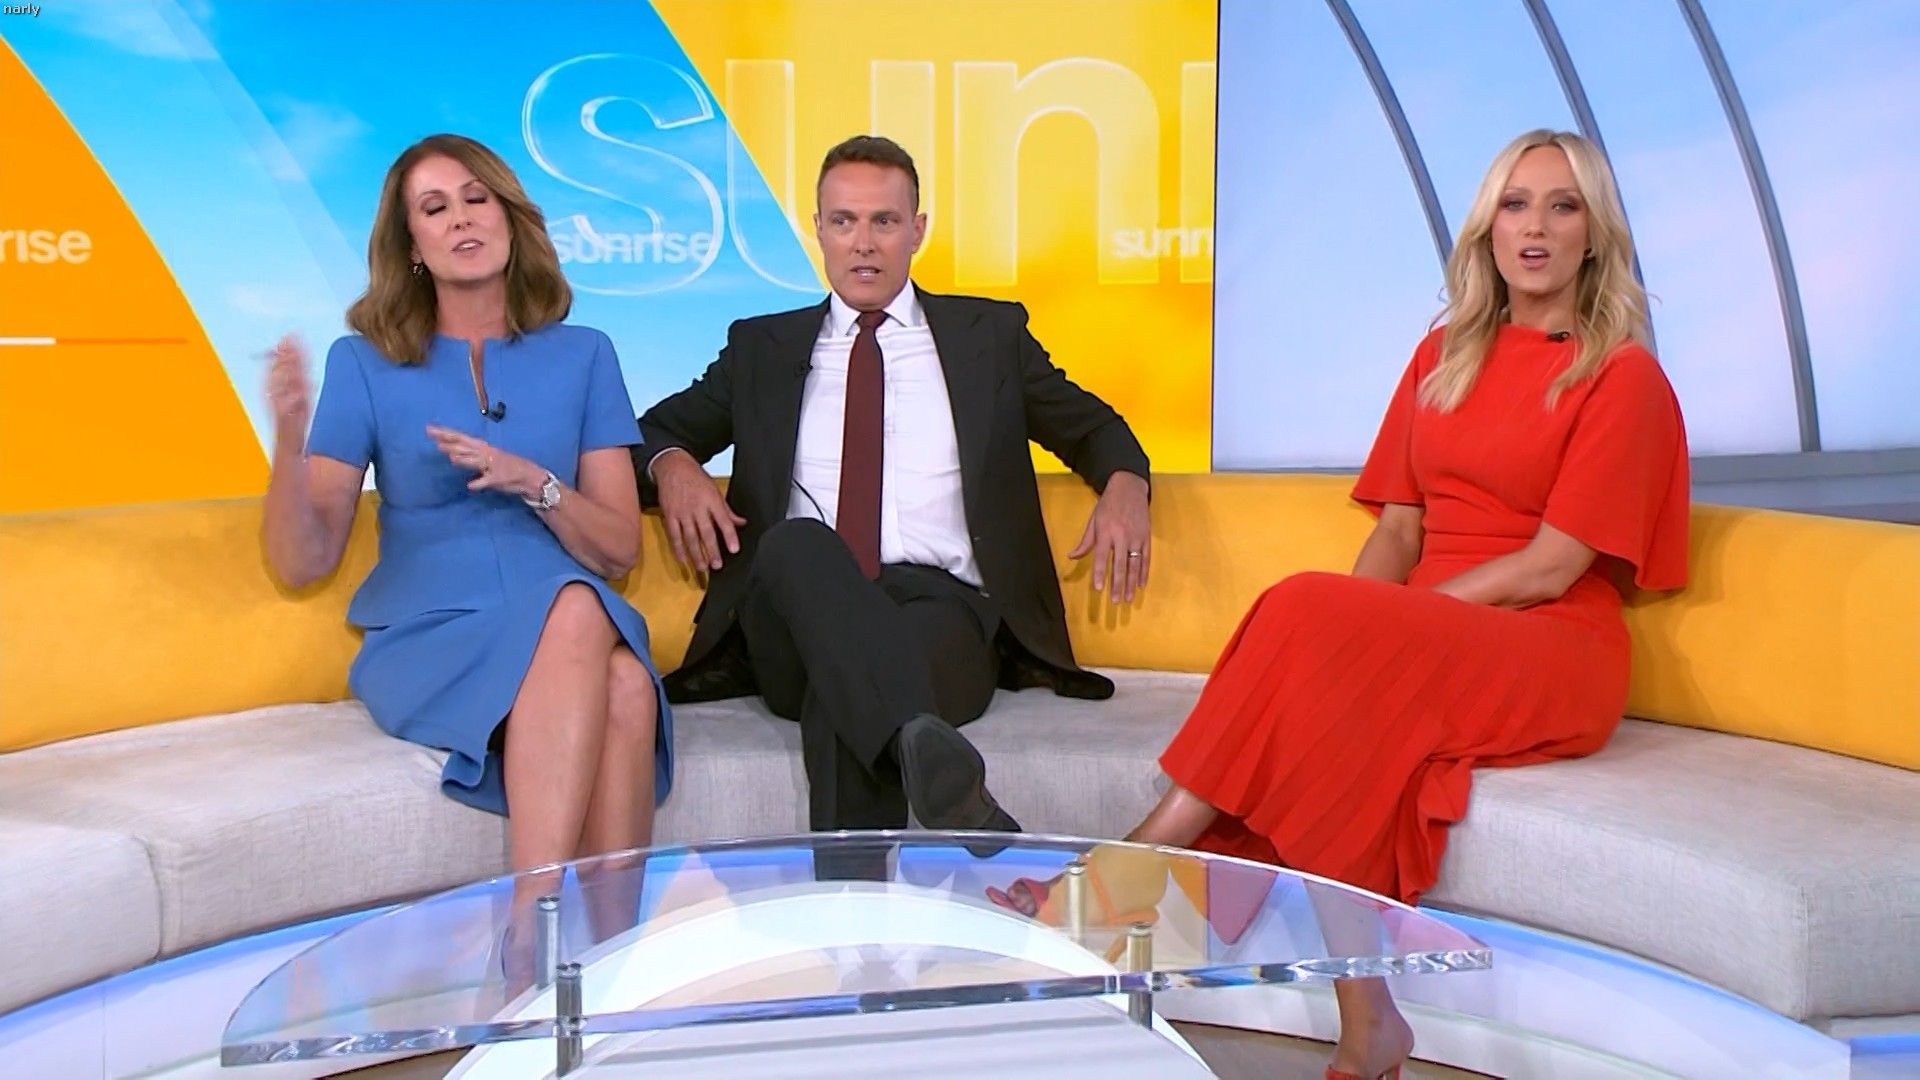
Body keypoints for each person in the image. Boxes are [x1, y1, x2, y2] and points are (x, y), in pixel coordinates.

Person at [993, 129, 1690, 1080]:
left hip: (1549, 644)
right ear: (1486, 230)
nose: (1535, 228)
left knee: (1310, 621)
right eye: (1515, 204)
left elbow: (1550, 566)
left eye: (1562, 207)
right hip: (1437, 631)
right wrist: (1353, 641)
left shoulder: (1621, 375)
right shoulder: (1443, 354)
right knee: (1323, 676)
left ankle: (1120, 878)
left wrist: (1378, 633)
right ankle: (1369, 1019)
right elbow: (1398, 531)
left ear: (1595, 234)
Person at [632, 135, 1152, 835]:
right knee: (795, 545)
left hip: (942, 612)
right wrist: (673, 465)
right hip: (793, 613)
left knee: (843, 689)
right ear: (818, 230)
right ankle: (948, 791)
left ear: (917, 230)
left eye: (884, 221)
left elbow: (1093, 428)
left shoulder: (988, 337)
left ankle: (853, 891)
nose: (864, 243)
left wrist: (1126, 485)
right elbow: (642, 437)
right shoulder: (762, 348)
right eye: (843, 221)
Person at [261, 135, 672, 938]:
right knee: (594, 636)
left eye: (476, 199)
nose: (460, 219)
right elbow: (304, 560)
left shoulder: (586, 355)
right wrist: (287, 437)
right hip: (435, 635)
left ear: (511, 217)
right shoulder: (364, 363)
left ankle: (607, 959)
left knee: (619, 672)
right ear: (412, 245)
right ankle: (533, 932)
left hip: (565, 623)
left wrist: (535, 483)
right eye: (434, 208)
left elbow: (620, 549)